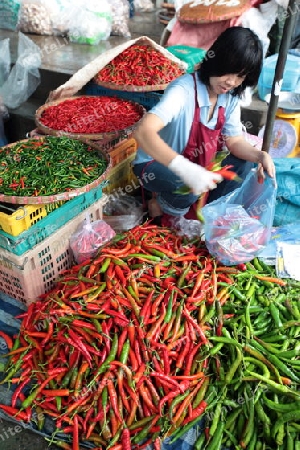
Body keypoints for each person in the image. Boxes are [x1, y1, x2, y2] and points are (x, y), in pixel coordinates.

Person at [132, 26, 275, 229]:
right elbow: (143, 131)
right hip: (154, 165)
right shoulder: (183, 90)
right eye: (229, 71)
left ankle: (206, 216)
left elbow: (234, 142)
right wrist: (185, 169)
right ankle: (163, 210)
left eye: (240, 77)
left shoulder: (230, 96)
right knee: (188, 183)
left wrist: (260, 156)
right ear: (216, 60)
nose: (231, 82)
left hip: (198, 165)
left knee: (243, 165)